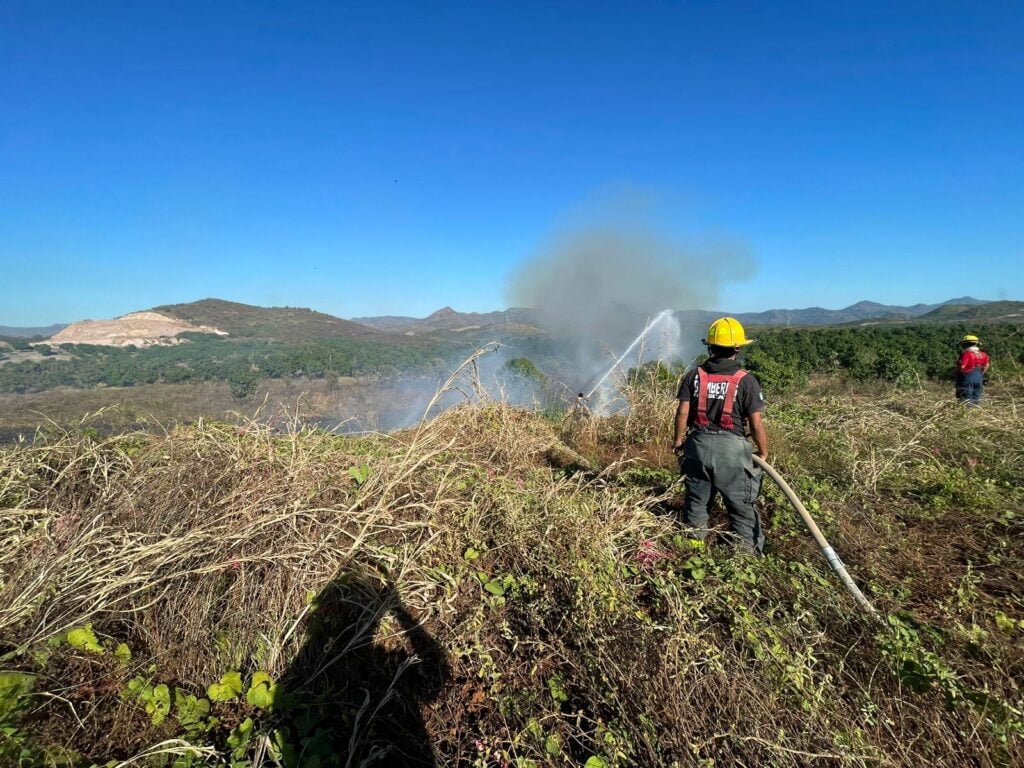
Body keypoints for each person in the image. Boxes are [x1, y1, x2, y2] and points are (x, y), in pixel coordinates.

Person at [672, 317, 768, 553]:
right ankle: (745, 557)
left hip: (697, 447)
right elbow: (756, 424)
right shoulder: (747, 381)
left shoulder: (694, 375)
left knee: (696, 503)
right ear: (738, 347)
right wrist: (763, 452)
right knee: (741, 508)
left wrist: (678, 441)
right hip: (733, 452)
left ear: (710, 347)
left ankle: (694, 549)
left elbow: (682, 412)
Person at [956, 334, 990, 406]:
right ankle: (975, 414)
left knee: (966, 400)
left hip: (968, 378)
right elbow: (987, 365)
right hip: (979, 379)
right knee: (976, 398)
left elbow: (962, 367)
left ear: (965, 344)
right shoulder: (983, 354)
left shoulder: (967, 354)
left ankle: (967, 415)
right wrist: (981, 374)